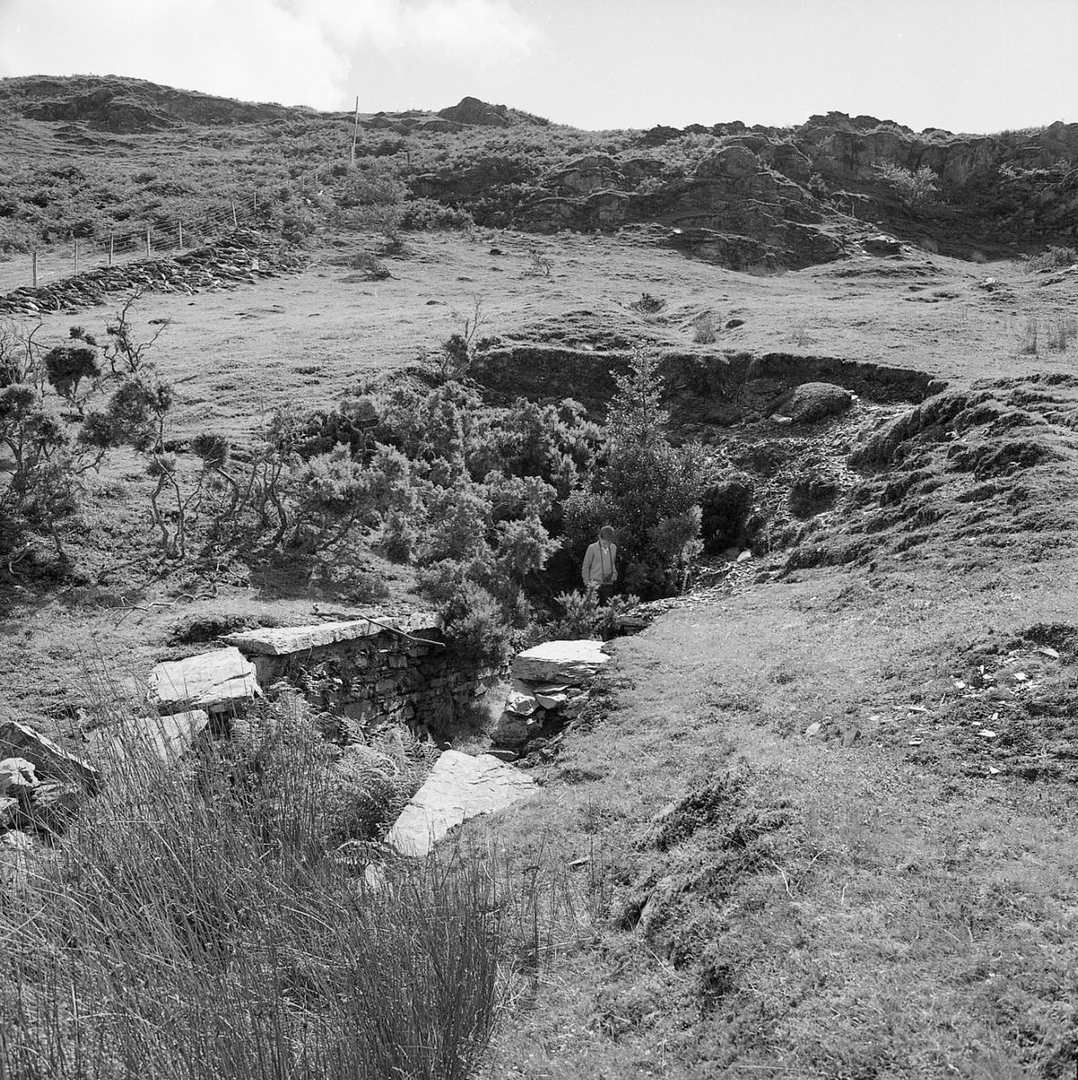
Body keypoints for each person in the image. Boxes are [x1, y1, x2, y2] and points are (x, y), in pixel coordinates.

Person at [582, 526, 618, 601]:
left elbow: (612, 563)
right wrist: (587, 583)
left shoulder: (614, 547)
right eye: (604, 542)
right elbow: (586, 566)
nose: (606, 544)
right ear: (599, 537)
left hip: (608, 584)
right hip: (594, 584)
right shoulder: (592, 548)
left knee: (607, 607)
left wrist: (614, 575)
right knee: (593, 607)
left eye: (608, 542)